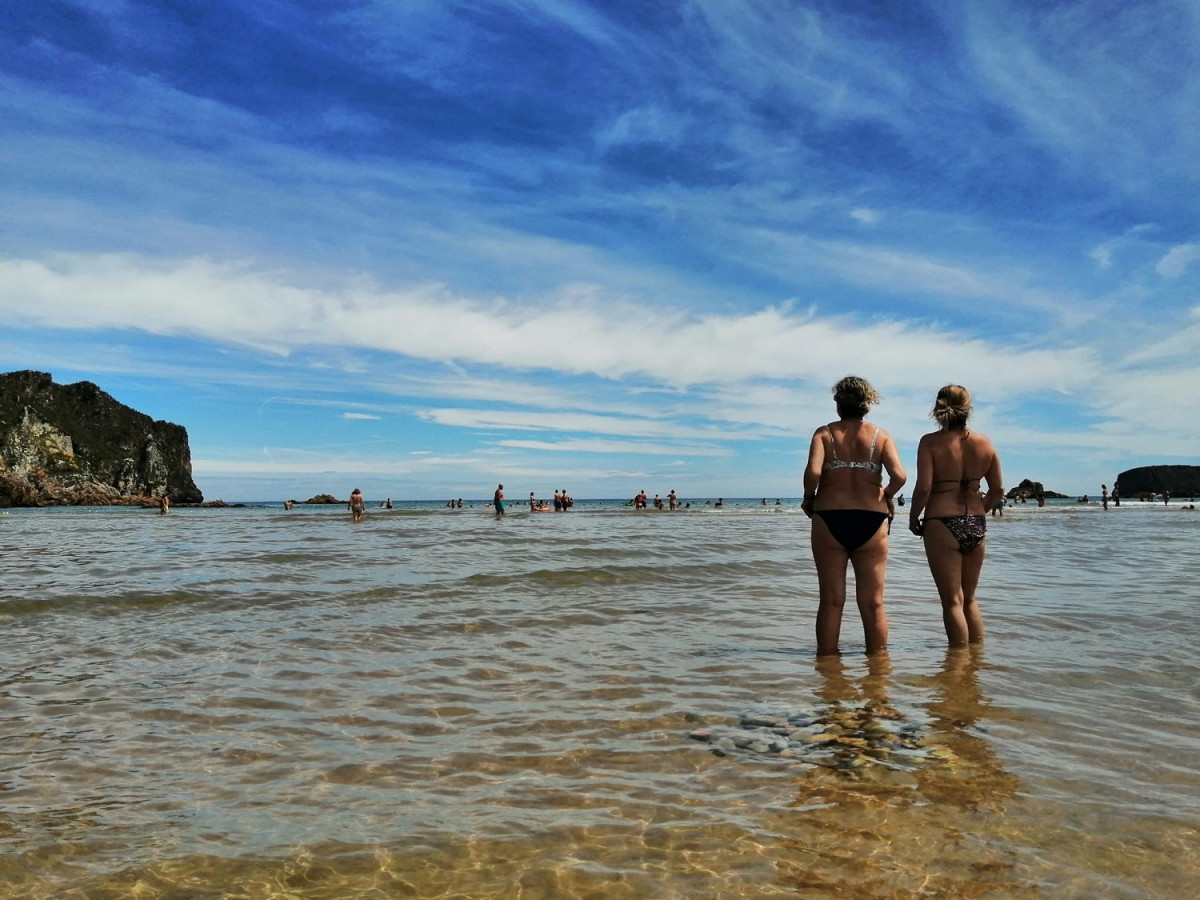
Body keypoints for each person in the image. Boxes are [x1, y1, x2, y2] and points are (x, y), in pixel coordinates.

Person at [802, 375, 906, 656]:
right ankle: (878, 668)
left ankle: (828, 668)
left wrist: (809, 499)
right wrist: (885, 494)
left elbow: (813, 473)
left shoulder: (824, 433)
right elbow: (900, 475)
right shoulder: (880, 436)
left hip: (829, 517)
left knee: (831, 600)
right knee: (873, 603)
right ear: (867, 404)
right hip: (872, 519)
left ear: (838, 403)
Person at [908, 385, 1004, 646]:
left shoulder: (930, 442)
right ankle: (976, 663)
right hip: (976, 521)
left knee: (952, 601)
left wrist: (913, 516)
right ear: (968, 409)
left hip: (941, 521)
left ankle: (957, 667)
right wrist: (979, 511)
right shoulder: (984, 442)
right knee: (970, 599)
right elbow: (998, 489)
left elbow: (925, 487)